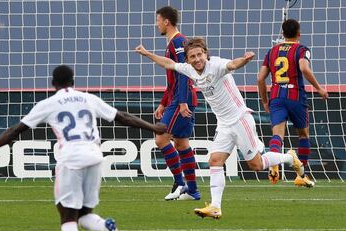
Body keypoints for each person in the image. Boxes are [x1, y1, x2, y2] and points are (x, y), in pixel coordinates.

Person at [0, 65, 166, 231]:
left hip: (71, 160)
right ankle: (104, 226)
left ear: (53, 83)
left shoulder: (49, 103)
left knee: (67, 219)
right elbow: (122, 116)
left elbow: (15, 131)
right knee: (83, 214)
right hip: (94, 157)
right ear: (73, 81)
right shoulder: (88, 99)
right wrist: (154, 128)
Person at [136, 38, 304, 219]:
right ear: (188, 60)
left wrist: (245, 59)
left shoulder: (216, 65)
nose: (197, 59)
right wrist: (147, 54)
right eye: (192, 56)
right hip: (224, 124)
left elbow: (232, 64)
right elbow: (168, 63)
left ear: (206, 54)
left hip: (240, 119)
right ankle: (215, 207)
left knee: (256, 164)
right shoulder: (189, 69)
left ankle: (289, 157)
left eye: (200, 54)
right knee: (215, 161)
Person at [257, 19, 328, 187]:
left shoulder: (272, 51)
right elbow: (304, 68)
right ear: (299, 34)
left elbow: (260, 78)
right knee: (303, 135)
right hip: (296, 97)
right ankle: (301, 176)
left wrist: (265, 101)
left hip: (276, 98)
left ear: (282, 34)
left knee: (277, 136)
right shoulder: (302, 50)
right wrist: (319, 88)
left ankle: (274, 162)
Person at [153, 6, 200, 201]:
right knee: (181, 143)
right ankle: (193, 190)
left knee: (161, 139)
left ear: (166, 21)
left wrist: (181, 102)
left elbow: (183, 73)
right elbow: (172, 80)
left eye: (157, 20)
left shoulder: (178, 42)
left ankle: (180, 183)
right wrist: (164, 103)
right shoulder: (172, 43)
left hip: (183, 98)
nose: (156, 24)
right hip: (178, 98)